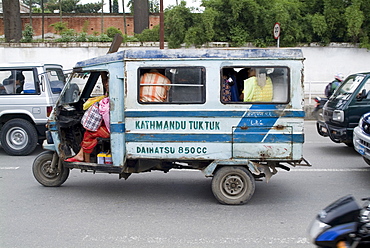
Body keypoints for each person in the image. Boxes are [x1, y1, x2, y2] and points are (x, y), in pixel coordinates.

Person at [65, 72, 110, 163]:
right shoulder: (112, 93)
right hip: (112, 125)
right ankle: (82, 155)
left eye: (108, 82)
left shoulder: (114, 95)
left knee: (89, 133)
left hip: (112, 128)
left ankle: (85, 159)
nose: (106, 84)